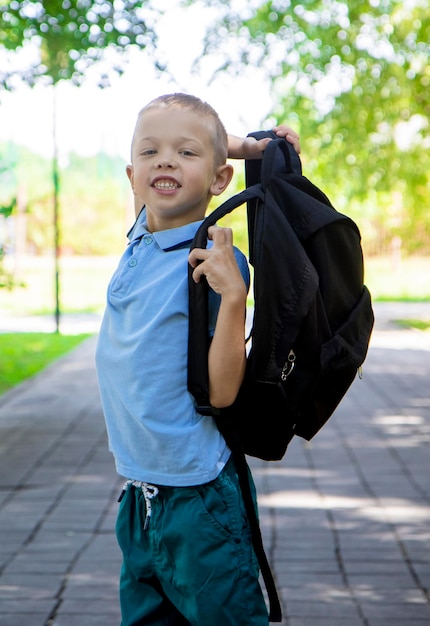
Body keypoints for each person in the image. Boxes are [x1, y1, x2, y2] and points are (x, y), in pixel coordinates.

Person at [95, 93, 300, 626]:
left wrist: (234, 298)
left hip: (199, 498)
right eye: (150, 153)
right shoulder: (142, 236)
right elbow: (174, 132)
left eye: (185, 154)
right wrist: (242, 144)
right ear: (132, 176)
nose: (164, 161)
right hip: (140, 496)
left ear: (219, 180)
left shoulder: (212, 257)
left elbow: (222, 392)